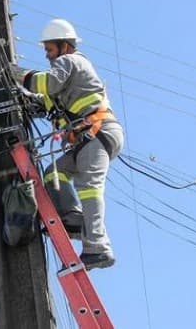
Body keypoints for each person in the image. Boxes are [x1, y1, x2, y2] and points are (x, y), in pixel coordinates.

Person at [10, 18, 124, 270]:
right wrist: (28, 100)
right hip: (89, 138)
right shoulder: (65, 77)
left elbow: (47, 83)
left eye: (50, 50)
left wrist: (21, 75)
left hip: (98, 132)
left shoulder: (70, 61)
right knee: (55, 174)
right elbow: (48, 101)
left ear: (65, 46)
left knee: (89, 187)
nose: (48, 57)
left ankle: (97, 247)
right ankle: (72, 218)